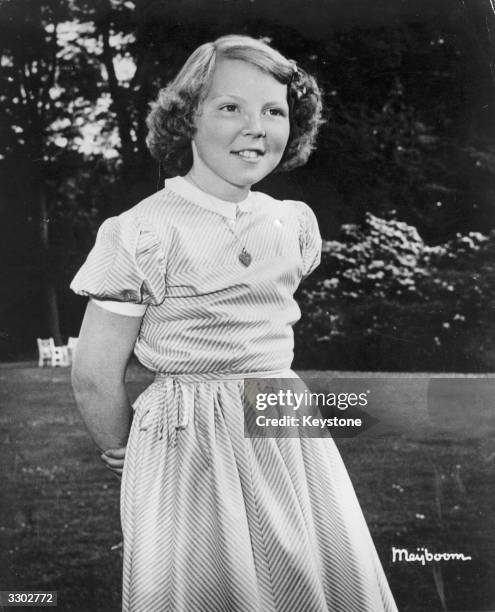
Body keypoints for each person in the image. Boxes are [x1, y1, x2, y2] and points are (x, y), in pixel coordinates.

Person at [71, 34, 398, 612]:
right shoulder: (143, 230)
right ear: (186, 120)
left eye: (274, 111)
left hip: (282, 424)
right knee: (206, 577)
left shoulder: (290, 223)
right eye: (230, 107)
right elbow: (96, 371)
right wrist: (122, 450)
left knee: (302, 562)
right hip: (187, 434)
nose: (256, 126)